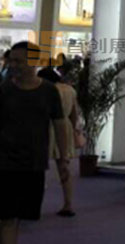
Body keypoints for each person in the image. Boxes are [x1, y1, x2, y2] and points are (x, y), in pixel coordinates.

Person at [0, 42, 69, 244]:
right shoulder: (4, 90)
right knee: (7, 218)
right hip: (4, 163)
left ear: (34, 62)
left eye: (18, 61)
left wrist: (64, 159)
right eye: (11, 61)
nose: (13, 65)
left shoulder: (49, 91)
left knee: (21, 216)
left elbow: (59, 125)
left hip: (34, 163)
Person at [43, 68, 79, 217]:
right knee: (64, 166)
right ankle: (68, 203)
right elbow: (74, 114)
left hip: (48, 127)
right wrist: (74, 130)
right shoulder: (70, 90)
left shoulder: (46, 90)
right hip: (66, 127)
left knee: (40, 167)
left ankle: (34, 204)